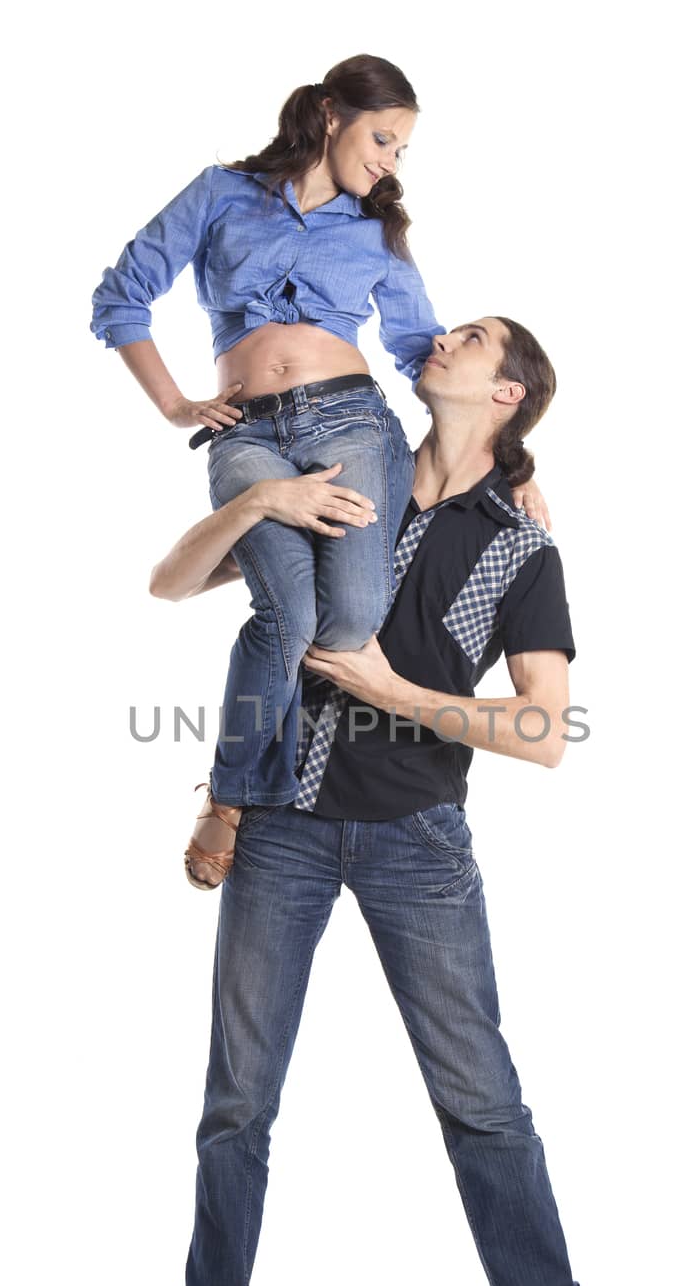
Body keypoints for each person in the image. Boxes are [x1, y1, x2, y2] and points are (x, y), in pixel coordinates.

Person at [145, 315, 626, 1286]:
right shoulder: (334, 470)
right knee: (237, 1103)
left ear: (505, 395)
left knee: (484, 1104)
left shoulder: (522, 547)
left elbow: (547, 731)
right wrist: (259, 501)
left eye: (468, 341)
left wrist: (390, 688)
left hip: (419, 840)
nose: (437, 340)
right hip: (279, 828)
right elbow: (169, 585)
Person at [90, 54, 548, 889]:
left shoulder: (378, 233)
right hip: (246, 436)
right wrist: (173, 405)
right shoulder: (221, 193)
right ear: (331, 115)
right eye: (384, 138)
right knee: (288, 609)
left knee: (347, 621)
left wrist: (510, 461)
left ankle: (283, 779)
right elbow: (121, 295)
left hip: (353, 424)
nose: (390, 162)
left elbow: (426, 351)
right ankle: (231, 796)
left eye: (402, 150)